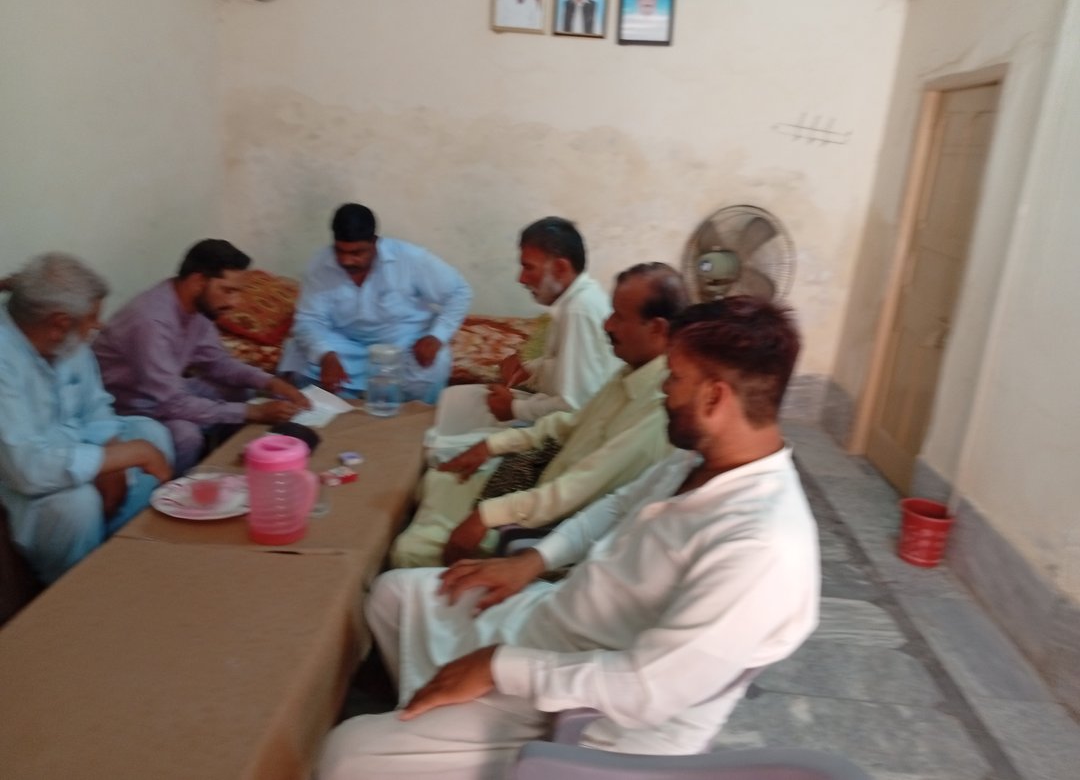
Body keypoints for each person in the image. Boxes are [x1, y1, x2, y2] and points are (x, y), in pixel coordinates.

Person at [318, 296, 820, 779]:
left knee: (345, 753)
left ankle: (425, 734)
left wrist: (501, 667)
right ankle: (427, 721)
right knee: (394, 595)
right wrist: (532, 561)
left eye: (674, 378)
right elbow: (618, 505)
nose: (664, 392)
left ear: (714, 397)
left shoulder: (761, 548)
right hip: (555, 620)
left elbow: (644, 687)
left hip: (583, 712)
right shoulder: (698, 459)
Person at [392, 263, 688, 568]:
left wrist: (488, 515)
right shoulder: (631, 370)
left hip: (551, 532)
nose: (608, 325)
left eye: (620, 317)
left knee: (407, 551)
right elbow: (569, 423)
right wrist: (492, 446)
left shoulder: (658, 410)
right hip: (541, 490)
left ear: (657, 328)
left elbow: (576, 490)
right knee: (436, 481)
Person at [0, 254, 174, 584]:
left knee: (153, 434)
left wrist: (113, 451)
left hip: (73, 445)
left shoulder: (67, 343)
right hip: (23, 476)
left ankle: (118, 554)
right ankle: (73, 586)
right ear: (59, 323)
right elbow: (26, 468)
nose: (99, 326)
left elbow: (94, 406)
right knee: (78, 506)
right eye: (92, 318)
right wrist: (114, 458)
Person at [93, 240, 310, 475]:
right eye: (228, 291)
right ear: (198, 282)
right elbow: (172, 403)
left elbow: (218, 363)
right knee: (186, 435)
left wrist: (270, 382)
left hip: (164, 392)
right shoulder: (151, 322)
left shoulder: (197, 308)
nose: (235, 303)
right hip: (130, 406)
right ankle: (175, 488)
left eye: (238, 292)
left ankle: (229, 465)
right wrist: (253, 412)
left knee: (238, 391)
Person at [279, 203, 472, 404]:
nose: (346, 261)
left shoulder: (409, 259)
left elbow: (459, 292)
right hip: (345, 345)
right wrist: (326, 356)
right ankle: (340, 408)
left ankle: (408, 413)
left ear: (375, 242)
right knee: (297, 350)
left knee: (436, 361)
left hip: (401, 345)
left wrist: (437, 336)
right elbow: (309, 320)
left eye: (356, 253)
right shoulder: (319, 265)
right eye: (340, 251)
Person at [486, 216, 619, 424]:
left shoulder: (578, 310)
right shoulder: (574, 303)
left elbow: (575, 405)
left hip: (580, 432)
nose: (521, 278)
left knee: (460, 430)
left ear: (560, 269)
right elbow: (561, 365)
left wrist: (514, 408)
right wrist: (529, 370)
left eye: (529, 267)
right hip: (568, 423)